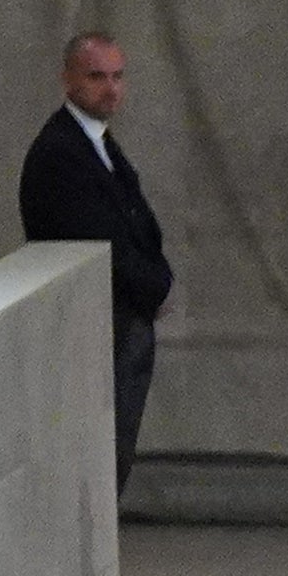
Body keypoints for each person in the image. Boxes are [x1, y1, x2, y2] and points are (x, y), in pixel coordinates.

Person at [19, 33, 174, 484]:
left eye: (118, 76)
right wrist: (156, 287)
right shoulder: (61, 153)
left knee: (114, 446)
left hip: (118, 318)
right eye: (96, 76)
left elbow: (139, 227)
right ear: (68, 80)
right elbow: (100, 243)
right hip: (96, 321)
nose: (111, 88)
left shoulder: (98, 144)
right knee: (101, 452)